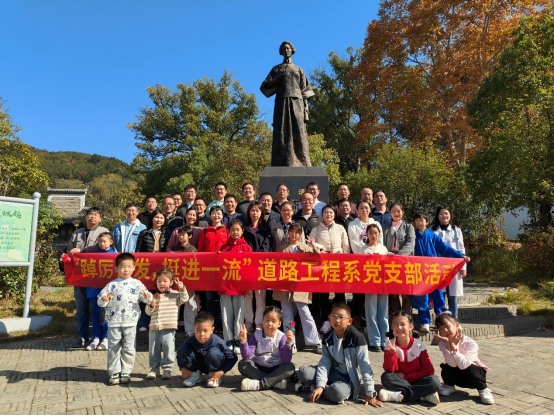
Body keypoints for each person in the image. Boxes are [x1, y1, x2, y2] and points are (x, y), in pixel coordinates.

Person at [296, 303, 381, 407]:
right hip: (332, 372)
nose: (337, 320)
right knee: (304, 372)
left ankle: (313, 388)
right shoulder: (327, 338)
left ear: (349, 321)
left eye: (341, 317)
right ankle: (320, 387)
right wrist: (320, 385)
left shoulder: (357, 338)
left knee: (338, 393)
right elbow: (325, 363)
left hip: (347, 378)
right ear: (329, 318)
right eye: (334, 316)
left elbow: (365, 366)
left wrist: (370, 392)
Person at [97, 253, 152, 386]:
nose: (126, 269)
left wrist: (148, 297)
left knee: (129, 347)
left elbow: (147, 298)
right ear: (116, 268)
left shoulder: (137, 284)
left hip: (131, 322)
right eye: (122, 266)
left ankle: (126, 372)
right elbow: (100, 301)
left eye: (129, 266)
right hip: (114, 322)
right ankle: (114, 372)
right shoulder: (111, 285)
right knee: (113, 347)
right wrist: (104, 299)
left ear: (134, 268)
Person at [412, 212, 470, 333]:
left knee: (438, 298)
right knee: (423, 298)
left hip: (434, 272)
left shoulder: (433, 237)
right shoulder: (412, 236)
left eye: (422, 220)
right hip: (419, 272)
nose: (420, 223)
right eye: (417, 221)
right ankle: (425, 323)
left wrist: (460, 255)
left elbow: (445, 248)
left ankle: (442, 322)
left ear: (427, 222)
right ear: (414, 223)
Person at [275, 223, 322, 354]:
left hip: (301, 285)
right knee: (287, 315)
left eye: (297, 232)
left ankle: (315, 342)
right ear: (288, 233)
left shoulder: (305, 248)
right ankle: (290, 343)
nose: (294, 234)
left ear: (300, 234)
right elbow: (274, 265)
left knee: (305, 312)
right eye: (292, 231)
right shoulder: (282, 248)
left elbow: (319, 259)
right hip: (284, 285)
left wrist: (314, 246)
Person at [67, 207, 109, 350]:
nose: (92, 217)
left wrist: (82, 251)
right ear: (85, 217)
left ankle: (100, 337)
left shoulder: (103, 232)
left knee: (99, 309)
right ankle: (82, 337)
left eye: (96, 215)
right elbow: (69, 251)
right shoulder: (76, 233)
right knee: (81, 309)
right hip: (79, 276)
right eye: (90, 214)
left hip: (96, 278)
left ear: (100, 219)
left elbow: (101, 248)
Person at [379, 311, 441, 405]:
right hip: (400, 381)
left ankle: (400, 395)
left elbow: (429, 370)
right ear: (391, 327)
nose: (399, 327)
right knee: (386, 377)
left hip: (417, 379)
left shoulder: (419, 345)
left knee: (434, 382)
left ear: (411, 327)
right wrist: (392, 353)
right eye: (395, 324)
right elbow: (390, 370)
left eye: (403, 324)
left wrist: (406, 377)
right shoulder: (390, 344)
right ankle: (423, 395)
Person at [434, 313, 494, 405]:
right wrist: (447, 342)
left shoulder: (470, 343)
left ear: (456, 325)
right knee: (447, 367)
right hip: (457, 375)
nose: (445, 330)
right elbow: (452, 364)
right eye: (441, 328)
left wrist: (453, 346)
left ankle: (483, 389)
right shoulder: (443, 343)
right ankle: (449, 386)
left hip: (472, 376)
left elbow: (463, 365)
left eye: (447, 326)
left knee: (471, 368)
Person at [308, 205, 350, 333]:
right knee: (323, 295)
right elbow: (310, 247)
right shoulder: (316, 229)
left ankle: (342, 319)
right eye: (326, 212)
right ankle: (326, 321)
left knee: (340, 293)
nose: (328, 215)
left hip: (338, 265)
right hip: (322, 266)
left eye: (331, 212)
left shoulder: (340, 228)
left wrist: (345, 262)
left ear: (334, 214)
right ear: (322, 215)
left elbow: (346, 247)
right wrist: (317, 249)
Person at [145, 269, 189, 381]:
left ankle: (167, 368)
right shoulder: (154, 296)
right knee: (153, 348)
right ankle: (154, 368)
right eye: (159, 281)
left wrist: (182, 288)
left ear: (171, 282)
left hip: (169, 326)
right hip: (154, 326)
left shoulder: (175, 295)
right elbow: (148, 312)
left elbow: (185, 299)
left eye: (165, 281)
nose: (162, 283)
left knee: (168, 347)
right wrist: (151, 305)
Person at [239, 307, 296, 391]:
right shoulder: (256, 335)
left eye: (273, 321)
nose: (269, 324)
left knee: (290, 367)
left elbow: (285, 360)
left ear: (279, 324)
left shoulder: (282, 337)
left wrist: (288, 344)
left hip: (276, 367)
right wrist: (244, 342)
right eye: (267, 320)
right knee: (242, 364)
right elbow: (247, 356)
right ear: (262, 320)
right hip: (259, 366)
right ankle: (274, 382)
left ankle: (260, 384)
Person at [177, 312, 239, 388]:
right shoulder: (189, 341)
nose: (201, 334)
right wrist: (182, 368)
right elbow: (179, 354)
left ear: (212, 330)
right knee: (183, 349)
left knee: (214, 352)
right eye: (198, 330)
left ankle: (214, 376)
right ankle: (196, 375)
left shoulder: (217, 342)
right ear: (194, 329)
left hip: (214, 365)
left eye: (205, 330)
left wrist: (221, 372)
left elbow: (233, 357)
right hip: (199, 366)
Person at [218, 219, 251, 354]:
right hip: (225, 286)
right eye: (232, 230)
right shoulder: (223, 248)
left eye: (237, 230)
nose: (235, 232)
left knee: (239, 314)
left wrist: (248, 285)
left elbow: (250, 268)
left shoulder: (246, 248)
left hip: (240, 286)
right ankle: (228, 339)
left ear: (242, 231)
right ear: (228, 231)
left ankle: (238, 339)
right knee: (226, 314)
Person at [135, 210, 168, 331]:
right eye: (156, 217)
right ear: (152, 219)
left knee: (161, 295)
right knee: (147, 294)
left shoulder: (167, 233)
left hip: (162, 267)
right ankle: (143, 323)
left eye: (161, 218)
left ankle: (158, 322)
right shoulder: (144, 233)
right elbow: (138, 250)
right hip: (147, 267)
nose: (159, 220)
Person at [432, 207, 467, 319]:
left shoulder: (456, 230)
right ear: (437, 216)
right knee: (439, 294)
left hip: (454, 265)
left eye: (446, 213)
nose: (444, 216)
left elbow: (461, 248)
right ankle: (441, 320)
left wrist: (463, 267)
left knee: (452, 295)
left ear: (450, 215)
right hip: (437, 266)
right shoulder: (432, 230)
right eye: (441, 214)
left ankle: (454, 320)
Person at [244, 201, 272, 331]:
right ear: (249, 212)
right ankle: (249, 320)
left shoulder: (266, 228)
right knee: (247, 294)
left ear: (262, 213)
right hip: (247, 265)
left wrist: (257, 257)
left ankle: (259, 321)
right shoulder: (244, 228)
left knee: (260, 295)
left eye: (257, 210)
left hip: (261, 265)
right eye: (252, 210)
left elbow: (267, 245)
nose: (255, 213)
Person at [167, 225, 200, 338]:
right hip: (175, 281)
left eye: (183, 235)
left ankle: (190, 330)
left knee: (190, 304)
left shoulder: (193, 249)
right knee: (174, 304)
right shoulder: (174, 249)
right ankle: (171, 328)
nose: (181, 237)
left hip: (189, 281)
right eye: (179, 235)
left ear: (190, 236)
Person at [362, 224, 390, 353]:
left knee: (384, 313)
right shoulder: (363, 249)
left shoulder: (383, 248)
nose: (373, 235)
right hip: (370, 283)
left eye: (376, 233)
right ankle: (374, 341)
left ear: (379, 235)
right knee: (371, 312)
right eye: (371, 233)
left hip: (383, 283)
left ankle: (385, 341)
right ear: (367, 234)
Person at [383, 203, 416, 316]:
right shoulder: (385, 227)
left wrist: (399, 255)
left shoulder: (409, 227)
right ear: (390, 213)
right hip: (390, 263)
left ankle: (407, 319)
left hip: (405, 263)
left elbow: (411, 243)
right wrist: (387, 254)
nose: (396, 213)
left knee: (406, 293)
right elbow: (382, 243)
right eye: (393, 211)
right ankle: (396, 319)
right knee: (393, 293)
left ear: (403, 212)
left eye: (398, 211)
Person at [85, 232, 115, 352]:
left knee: (107, 314)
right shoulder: (93, 256)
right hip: (95, 290)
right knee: (96, 314)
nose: (102, 244)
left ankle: (107, 338)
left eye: (104, 241)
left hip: (109, 291)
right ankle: (96, 338)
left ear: (111, 242)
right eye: (100, 241)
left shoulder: (116, 256)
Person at [198, 206, 229, 316]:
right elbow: (200, 250)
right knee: (209, 296)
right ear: (210, 216)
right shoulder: (205, 231)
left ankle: (221, 320)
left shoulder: (227, 231)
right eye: (214, 213)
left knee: (222, 295)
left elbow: (230, 248)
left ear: (222, 215)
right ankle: (209, 319)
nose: (216, 215)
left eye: (219, 213)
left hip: (223, 268)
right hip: (208, 268)